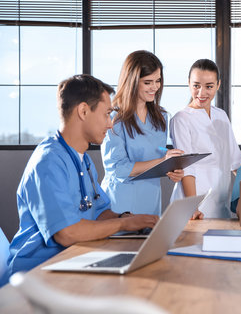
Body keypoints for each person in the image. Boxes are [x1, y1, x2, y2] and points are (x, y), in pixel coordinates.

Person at [8, 75, 159, 275]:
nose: (110, 124)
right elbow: (67, 233)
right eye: (107, 114)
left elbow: (98, 212)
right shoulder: (48, 162)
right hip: (36, 274)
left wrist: (131, 219)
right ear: (84, 111)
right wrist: (123, 224)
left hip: (74, 260)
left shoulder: (83, 160)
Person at [101, 50, 184, 216]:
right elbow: (118, 169)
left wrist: (171, 169)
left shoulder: (161, 117)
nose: (155, 87)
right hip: (121, 203)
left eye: (158, 81)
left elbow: (156, 154)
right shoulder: (113, 118)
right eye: (148, 82)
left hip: (151, 201)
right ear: (132, 82)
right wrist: (162, 161)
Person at [170, 59, 241, 219]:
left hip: (221, 205)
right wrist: (192, 207)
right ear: (188, 83)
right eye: (196, 85)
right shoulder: (181, 119)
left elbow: (235, 161)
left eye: (209, 86)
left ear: (218, 85)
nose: (201, 93)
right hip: (194, 207)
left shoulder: (221, 115)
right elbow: (186, 167)